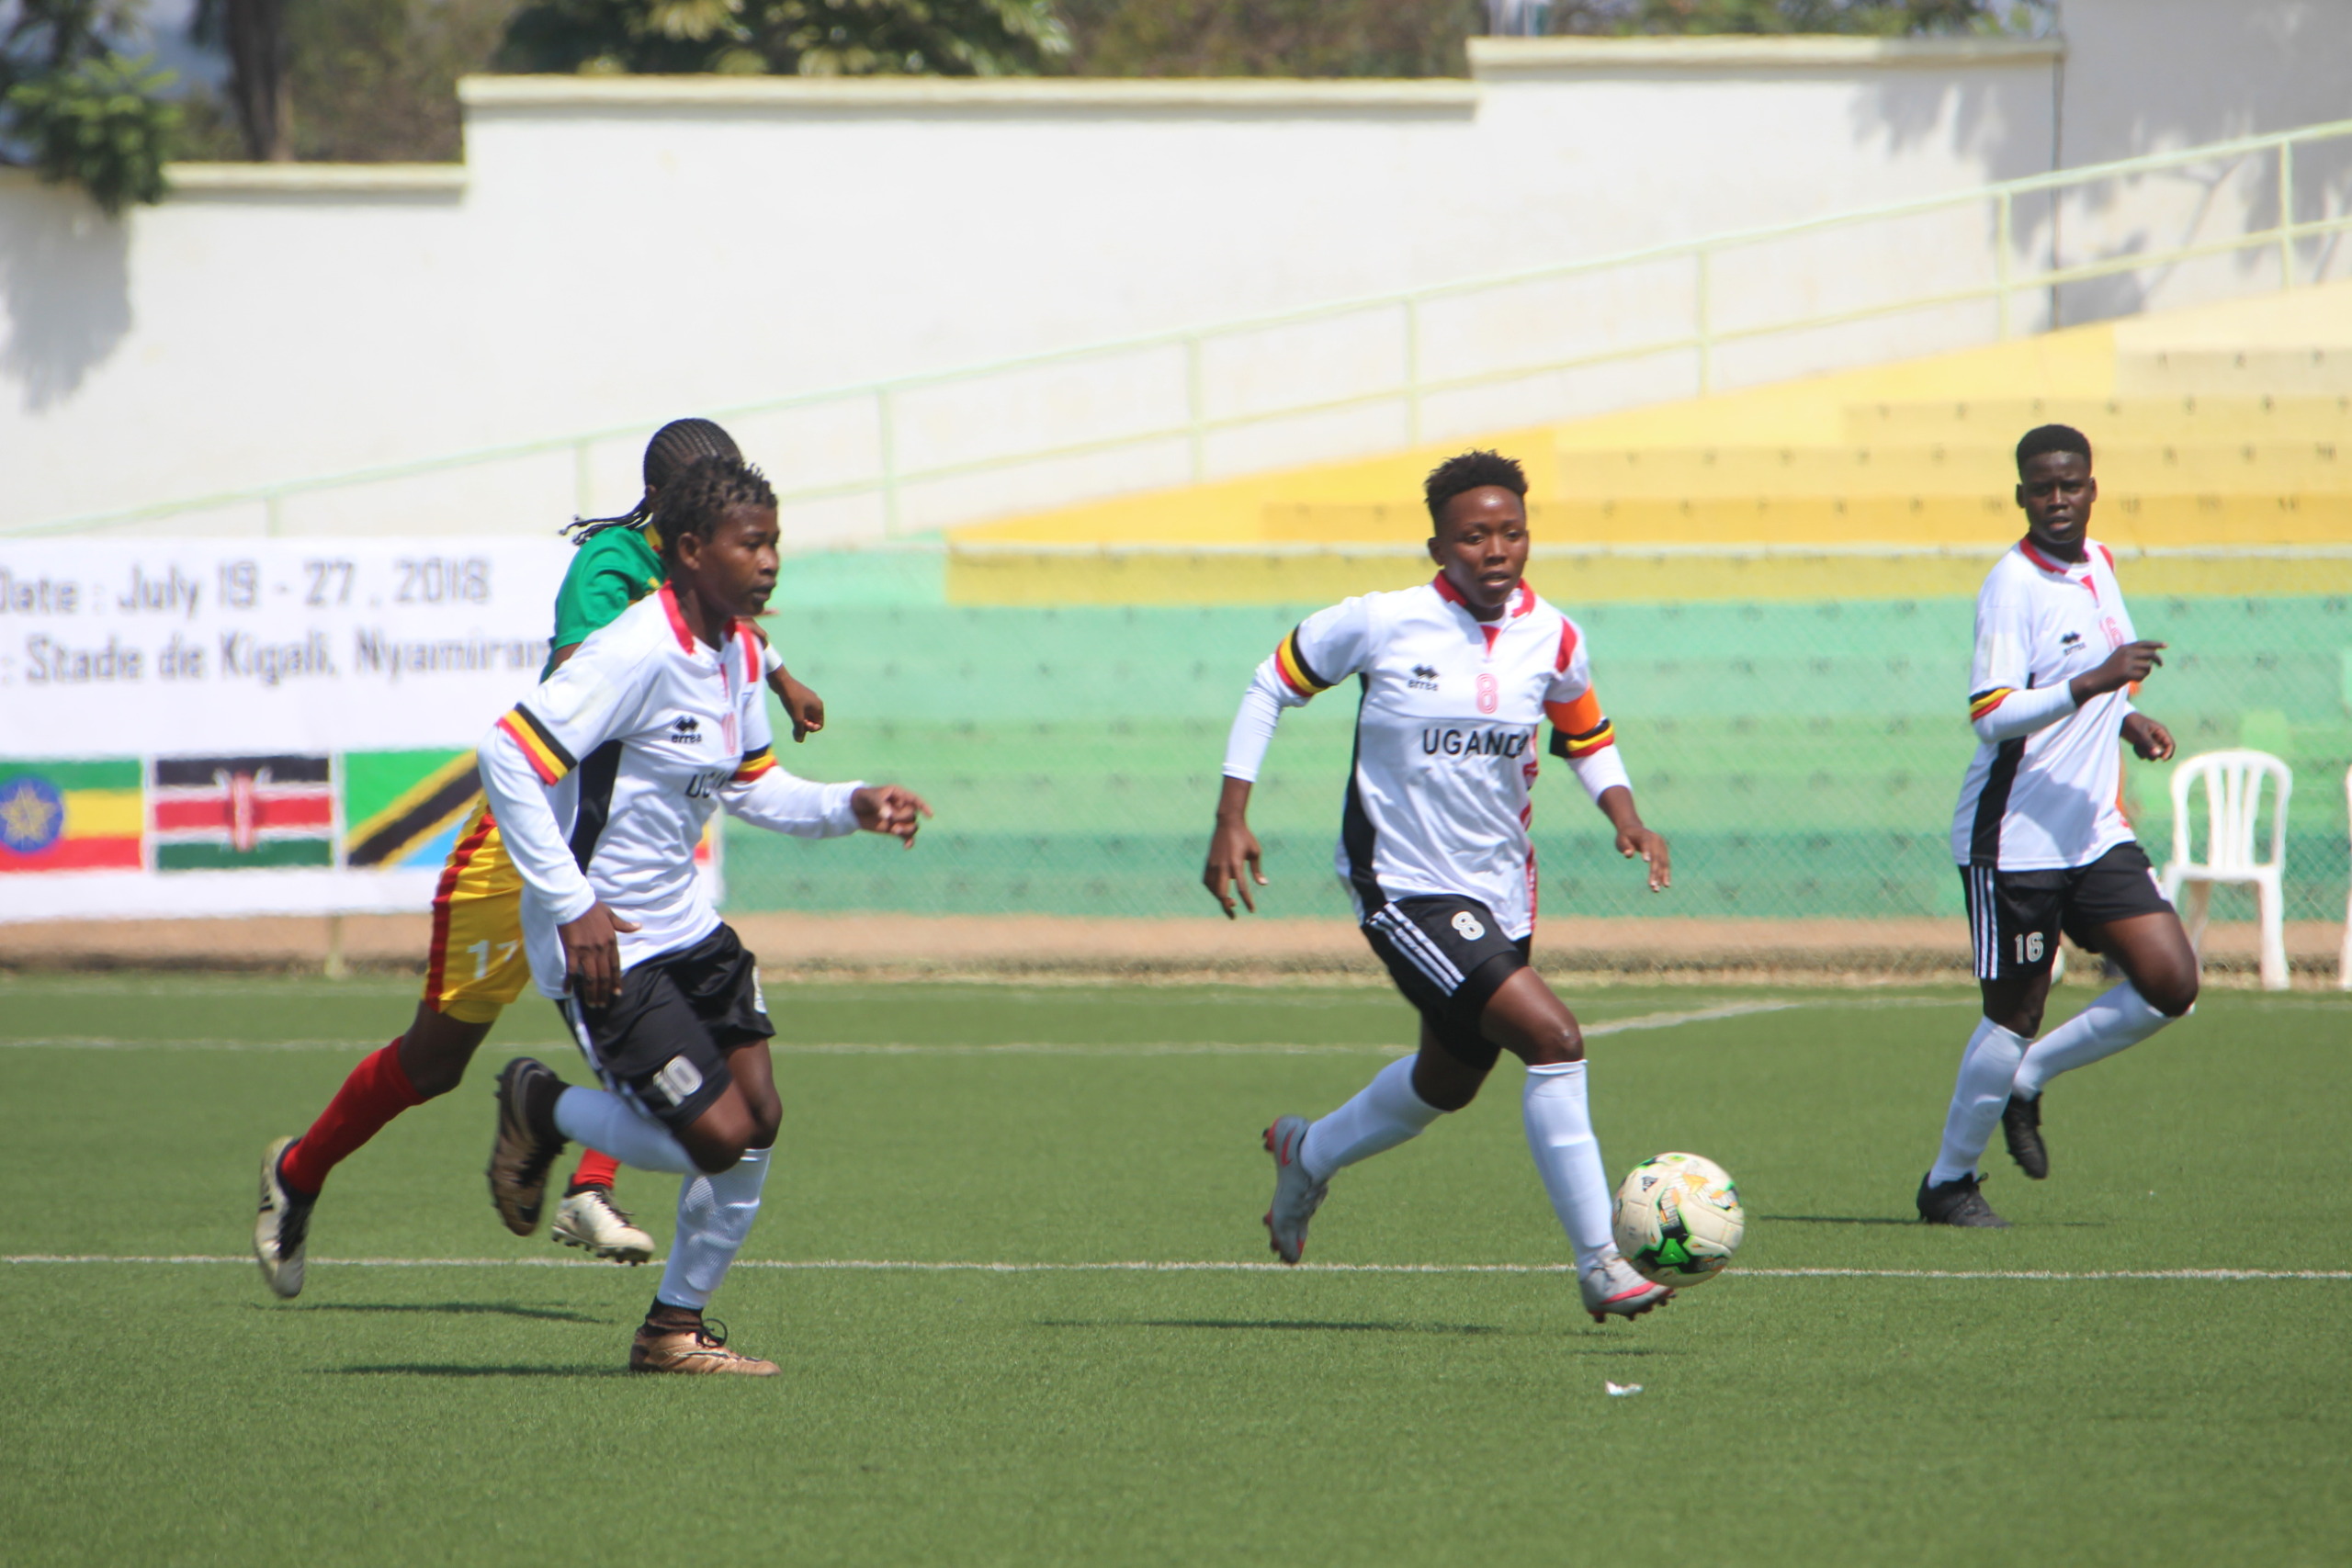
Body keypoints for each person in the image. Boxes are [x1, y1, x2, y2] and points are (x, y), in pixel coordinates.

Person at [253, 419, 827, 1298]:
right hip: (527, 853)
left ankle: (593, 1186)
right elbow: (580, 691)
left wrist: (773, 672)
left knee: (662, 1007)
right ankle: (299, 1170)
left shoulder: (710, 589)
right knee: (435, 1060)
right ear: (675, 517)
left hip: (617, 867)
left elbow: (724, 635)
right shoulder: (611, 571)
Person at [478, 453, 930, 1374]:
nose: (769, 561)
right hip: (609, 945)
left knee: (759, 1123)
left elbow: (755, 786)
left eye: (774, 543)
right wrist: (572, 903)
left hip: (686, 928)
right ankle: (544, 1105)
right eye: (749, 543)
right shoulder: (634, 650)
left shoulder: (739, 651)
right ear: (690, 550)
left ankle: (672, 1330)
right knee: (716, 1140)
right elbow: (507, 756)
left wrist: (851, 804)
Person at [1203, 449, 1677, 1324]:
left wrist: (1625, 813)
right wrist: (1233, 813)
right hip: (1401, 883)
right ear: (1439, 546)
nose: (1496, 549)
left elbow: (1586, 731)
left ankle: (1306, 1153)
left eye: (1511, 531)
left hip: (1497, 891)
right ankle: (1601, 1262)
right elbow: (1271, 682)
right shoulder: (1383, 622)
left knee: (1449, 1081)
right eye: (1474, 535)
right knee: (1554, 1037)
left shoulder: (1555, 635)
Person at [1917, 423, 2199, 1228]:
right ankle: (1948, 1183)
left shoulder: (2100, 564)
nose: (2058, 498)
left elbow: (2095, 675)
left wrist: (2127, 716)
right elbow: (1991, 713)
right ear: (2021, 496)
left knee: (2171, 983)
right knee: (2012, 1012)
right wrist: (2096, 684)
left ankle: (2029, 1077)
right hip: (2013, 841)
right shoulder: (2011, 584)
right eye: (2042, 486)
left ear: (2091, 487)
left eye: (2070, 484)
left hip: (2091, 829)